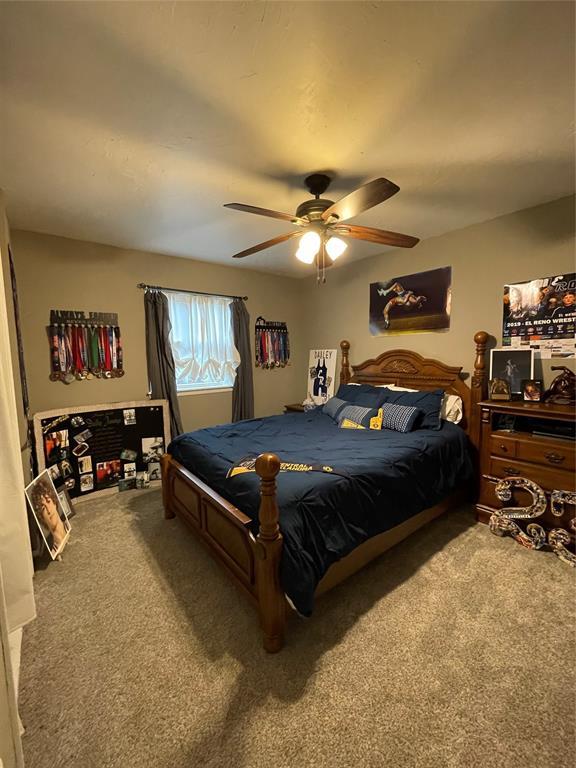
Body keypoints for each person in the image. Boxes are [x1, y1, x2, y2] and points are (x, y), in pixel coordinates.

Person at [29, 475, 70, 556]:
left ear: (54, 502)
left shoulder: (68, 527)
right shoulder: (53, 551)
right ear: (41, 517)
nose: (48, 510)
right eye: (43, 508)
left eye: (48, 501)